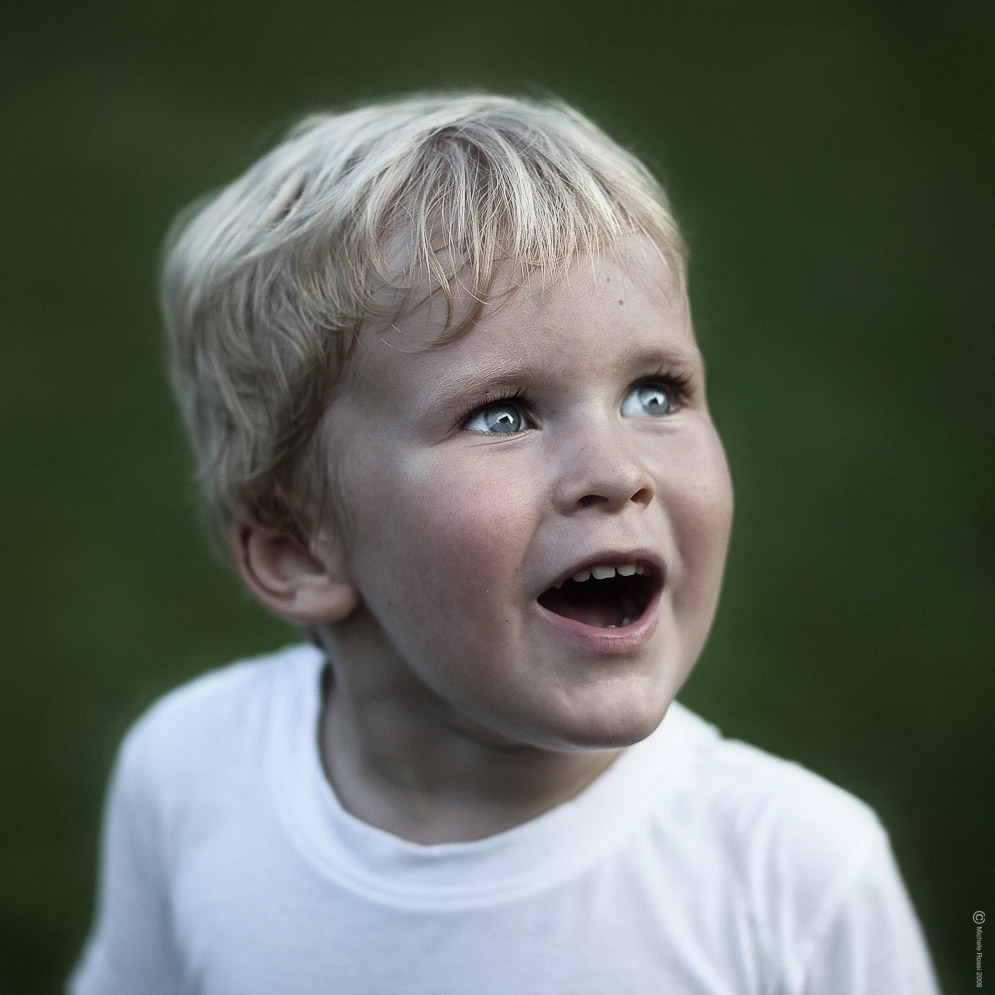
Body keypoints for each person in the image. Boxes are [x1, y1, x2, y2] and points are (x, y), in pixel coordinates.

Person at [69, 92, 939, 994]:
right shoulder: (193, 773)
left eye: (653, 393)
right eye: (502, 414)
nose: (616, 469)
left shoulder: (795, 878)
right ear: (299, 547)